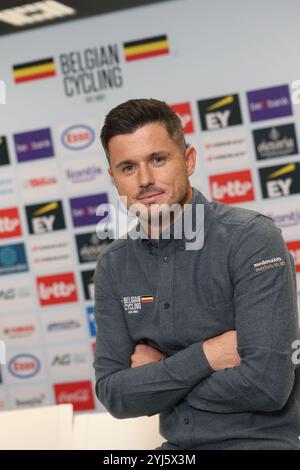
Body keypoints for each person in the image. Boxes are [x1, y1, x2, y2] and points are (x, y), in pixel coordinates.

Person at [93, 98, 300, 450]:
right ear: (114, 179)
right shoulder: (113, 265)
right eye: (128, 168)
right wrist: (207, 356)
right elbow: (116, 395)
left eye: (158, 159)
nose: (145, 180)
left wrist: (160, 377)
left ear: (188, 160)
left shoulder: (251, 238)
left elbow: (267, 384)